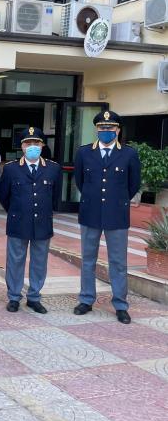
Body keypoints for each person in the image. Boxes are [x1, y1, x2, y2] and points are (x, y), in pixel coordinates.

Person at [73, 110, 141, 324]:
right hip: (90, 212)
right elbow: (80, 181)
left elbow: (133, 185)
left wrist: (116, 201)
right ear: (97, 130)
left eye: (110, 128)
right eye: (102, 128)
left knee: (118, 262)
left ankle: (120, 304)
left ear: (118, 130)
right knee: (88, 259)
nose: (106, 131)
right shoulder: (84, 153)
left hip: (117, 215)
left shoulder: (129, 154)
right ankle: (86, 299)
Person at [0, 127, 62, 314]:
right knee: (15, 261)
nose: (32, 146)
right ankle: (14, 297)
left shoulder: (53, 168)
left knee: (39, 261)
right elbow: (4, 195)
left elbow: (55, 196)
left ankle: (34, 297)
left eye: (36, 143)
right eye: (28, 143)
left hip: (42, 222)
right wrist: (17, 211)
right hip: (18, 221)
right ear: (22, 147)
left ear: (42, 145)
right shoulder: (11, 169)